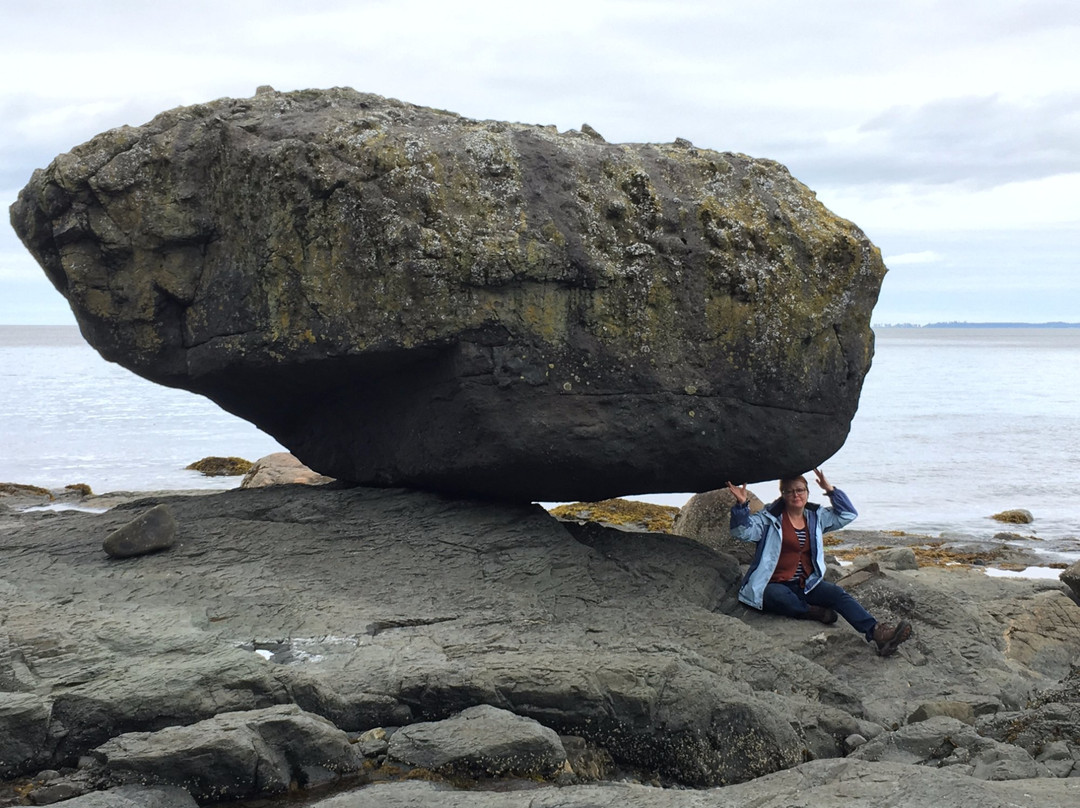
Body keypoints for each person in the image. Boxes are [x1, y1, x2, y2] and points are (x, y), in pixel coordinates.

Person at [726, 468, 912, 657]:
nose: (795, 495)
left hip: (806, 584)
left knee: (837, 593)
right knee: (777, 596)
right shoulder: (768, 519)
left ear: (807, 492)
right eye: (789, 491)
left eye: (800, 490)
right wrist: (742, 505)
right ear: (782, 495)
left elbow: (848, 514)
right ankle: (812, 612)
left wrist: (830, 490)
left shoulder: (816, 516)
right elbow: (741, 532)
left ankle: (877, 633)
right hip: (773, 583)